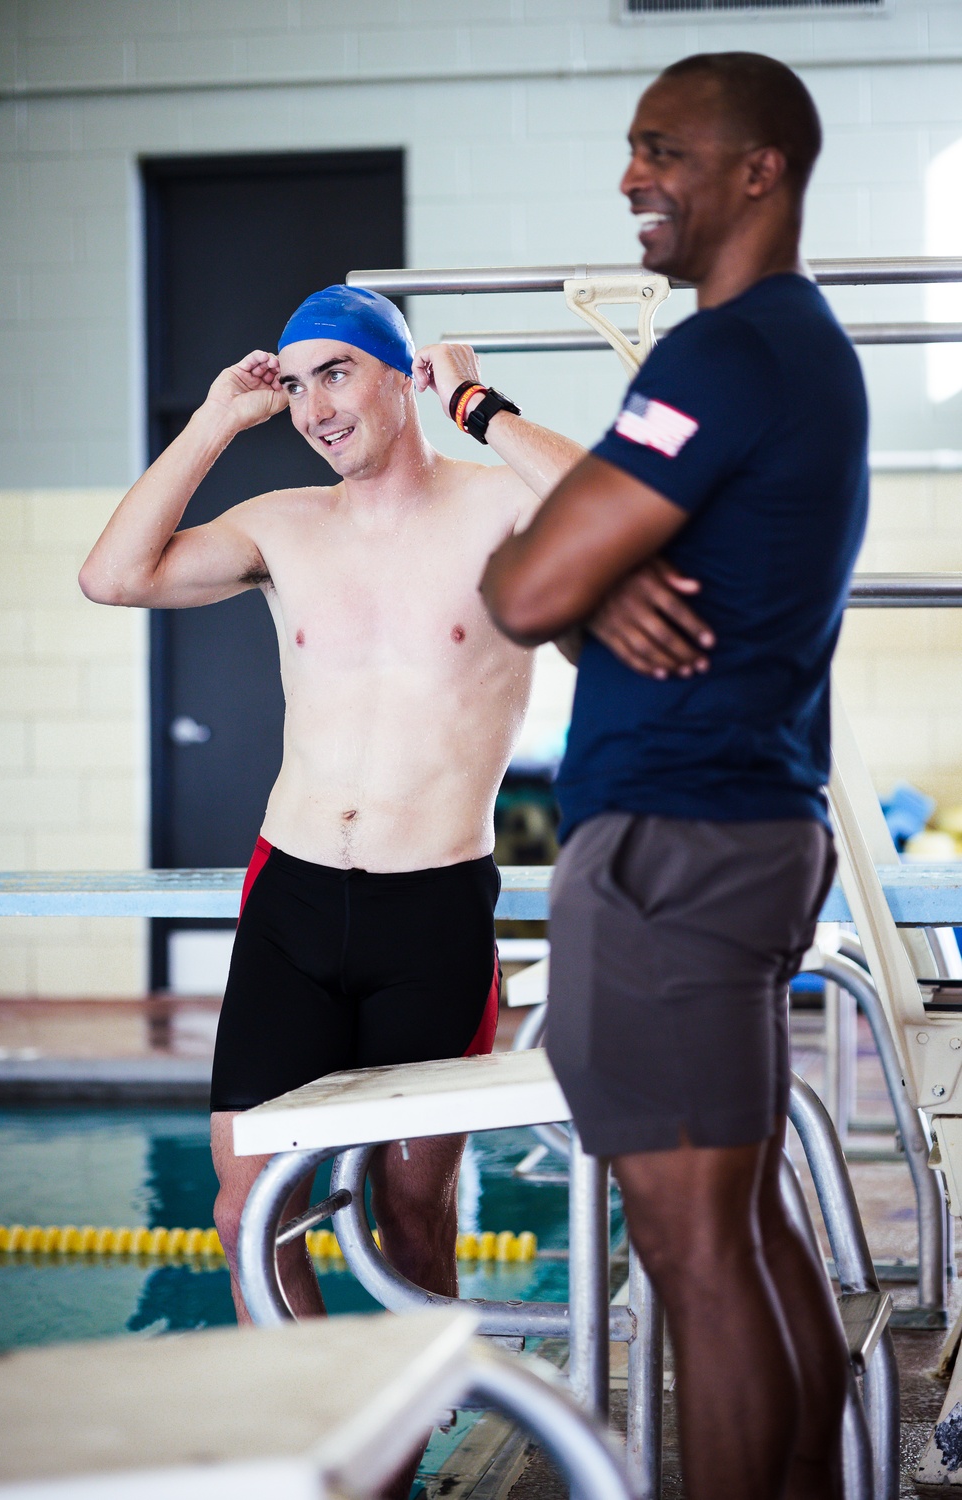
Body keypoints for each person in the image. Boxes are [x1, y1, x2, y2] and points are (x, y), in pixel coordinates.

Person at [481, 52, 866, 1500]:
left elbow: (519, 586)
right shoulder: (801, 355)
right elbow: (557, 584)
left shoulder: (729, 353)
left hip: (676, 845)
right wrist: (588, 585)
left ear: (757, 169)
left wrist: (562, 576)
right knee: (747, 1238)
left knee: (695, 1256)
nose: (633, 176)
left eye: (664, 150)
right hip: (738, 827)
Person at [79, 284, 606, 1325]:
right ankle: (327, 1460)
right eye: (297, 380)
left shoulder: (495, 511)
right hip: (294, 900)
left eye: (338, 372)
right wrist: (217, 420)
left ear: (401, 375)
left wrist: (478, 404)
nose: (316, 406)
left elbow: (612, 510)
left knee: (413, 1210)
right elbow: (112, 576)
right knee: (246, 1212)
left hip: (434, 906)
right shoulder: (282, 526)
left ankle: (414, 1441)